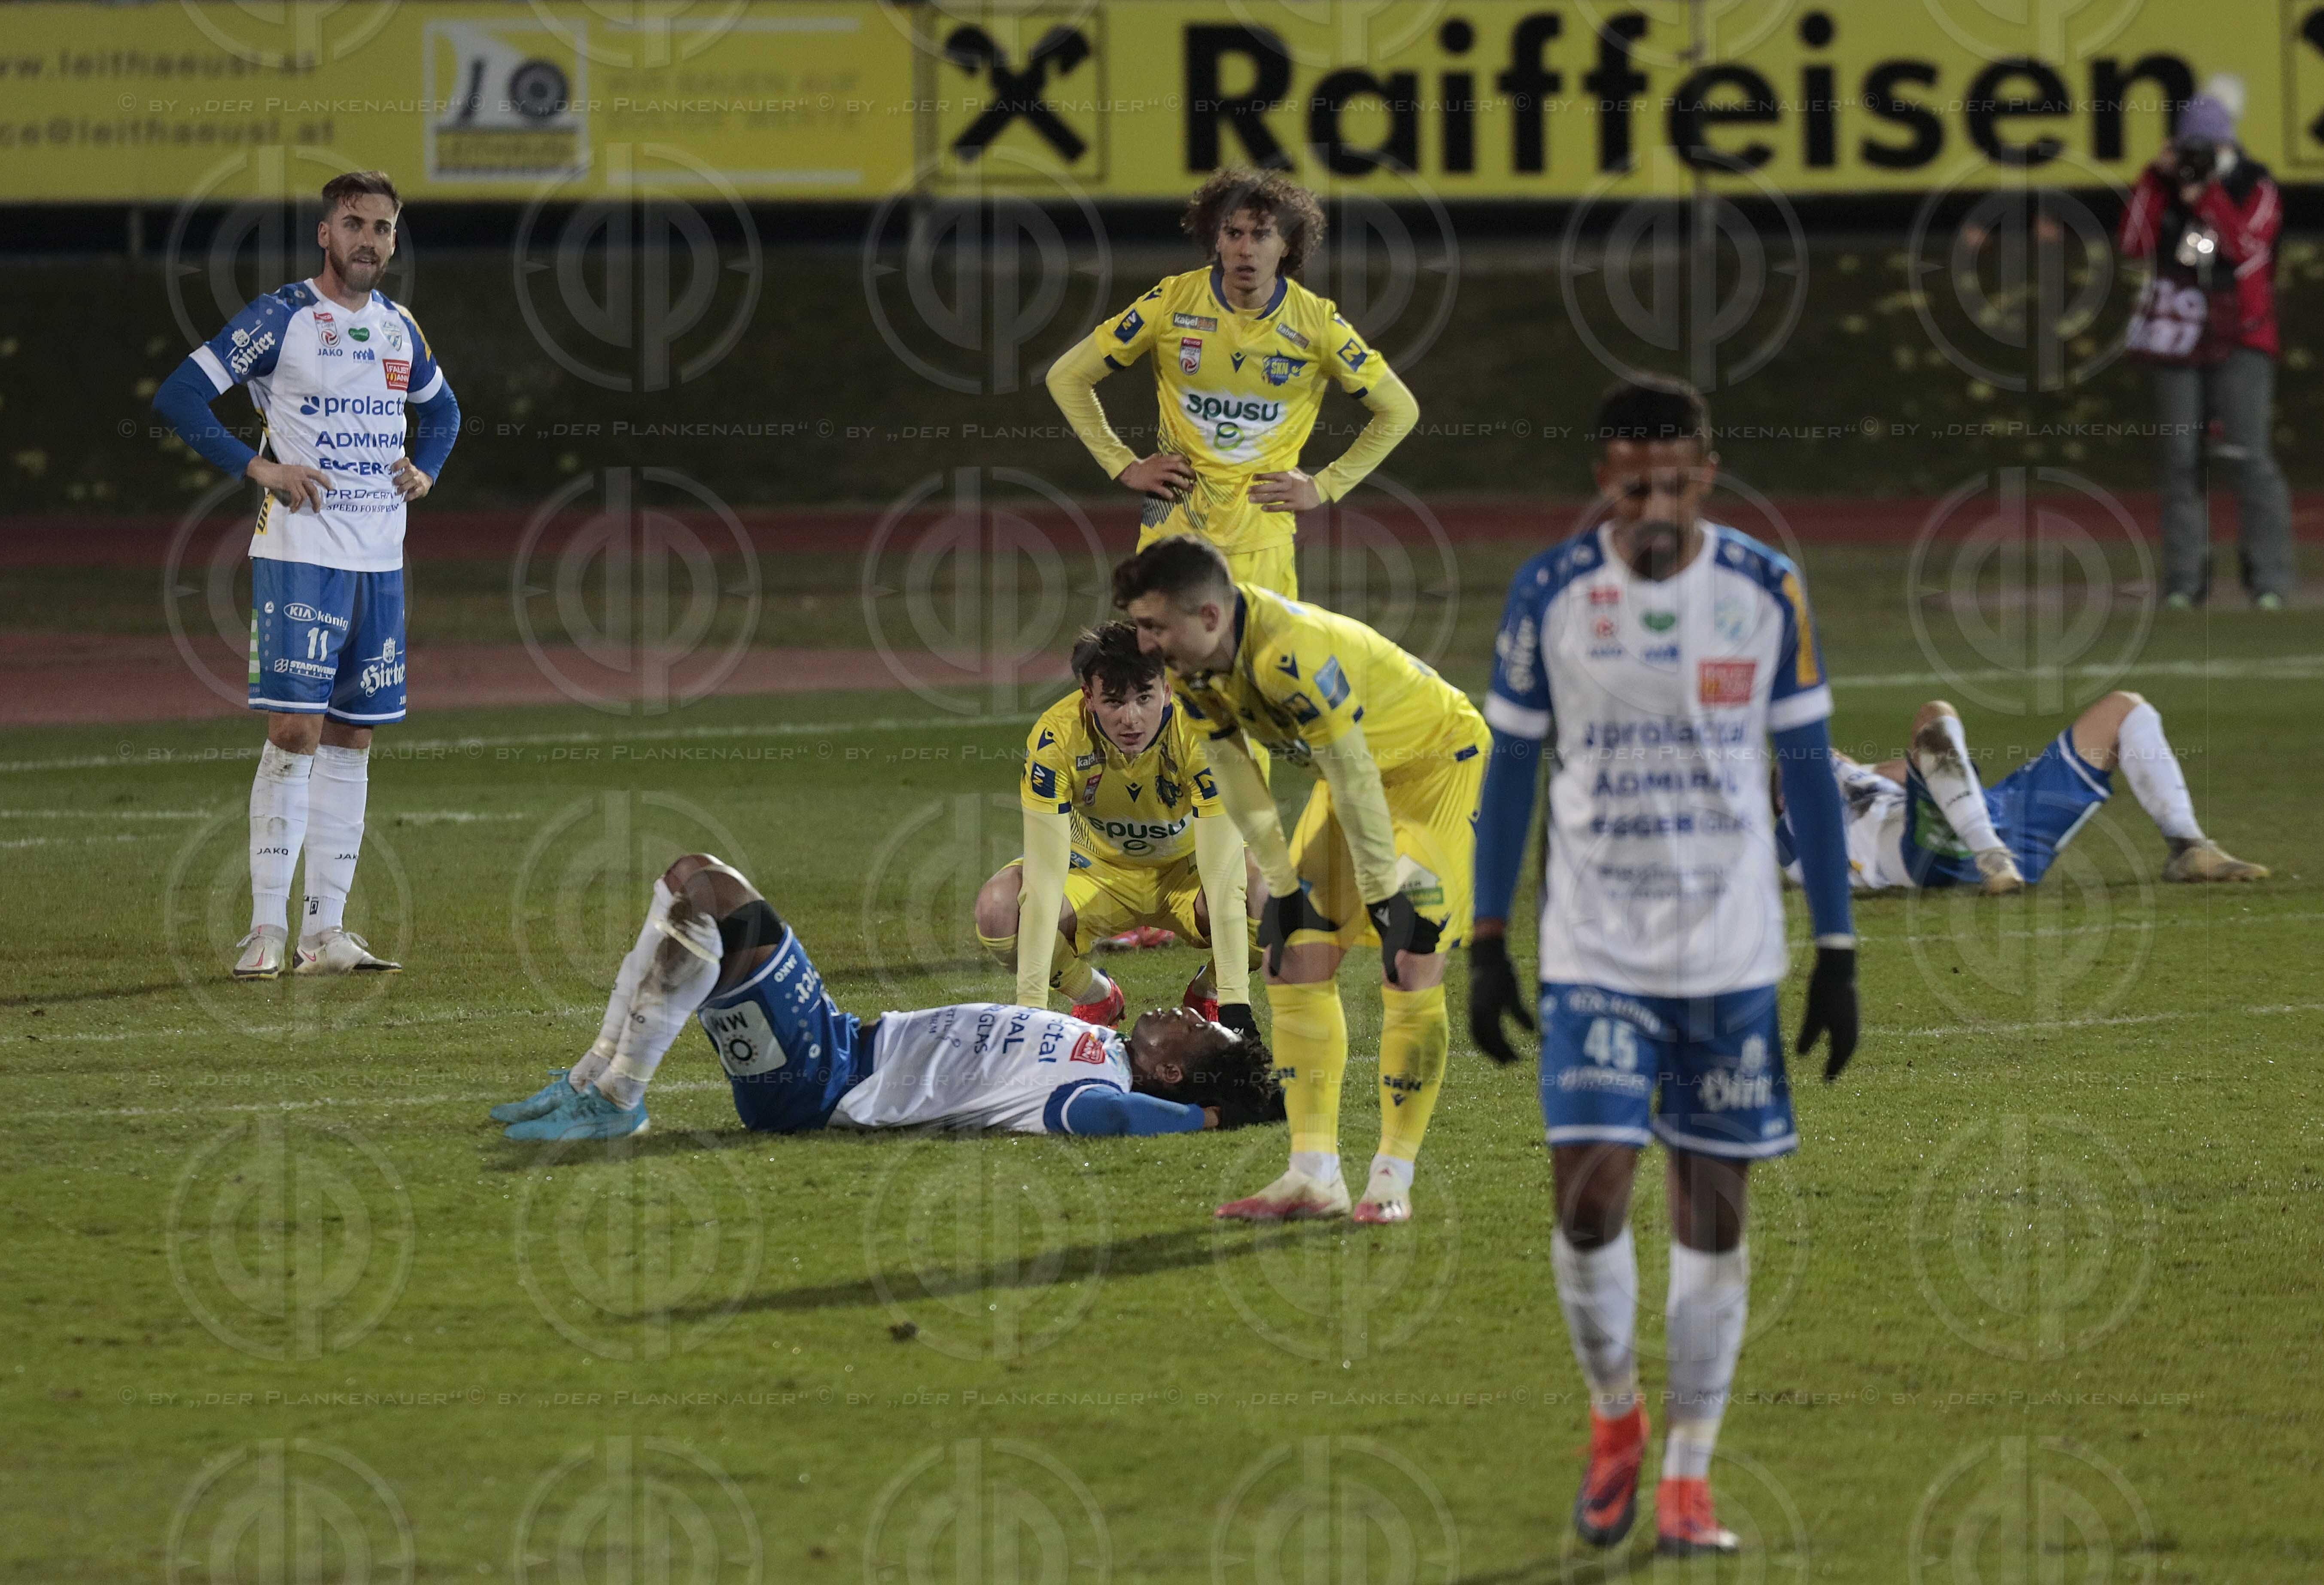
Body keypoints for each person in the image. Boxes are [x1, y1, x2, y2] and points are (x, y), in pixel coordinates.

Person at [1466, 378, 1859, 1558]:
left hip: (1728, 952)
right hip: (1595, 949)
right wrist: (1487, 938)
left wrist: (1835, 946)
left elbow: (1806, 766)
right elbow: (1507, 777)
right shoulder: (1549, 594)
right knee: (1586, 1202)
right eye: (1630, 479)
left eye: (1672, 479)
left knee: (1711, 1212)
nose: (1651, 500)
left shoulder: (1761, 589)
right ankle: (1614, 1419)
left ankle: (1688, 1469)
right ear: (1604, 480)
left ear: (1705, 473)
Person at [1114, 536, 1488, 1226]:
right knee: (1292, 956)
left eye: (1155, 626)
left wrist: (1382, 892)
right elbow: (1234, 771)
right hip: (1354, 785)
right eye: (1141, 625)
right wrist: (1282, 880)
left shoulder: (1291, 654)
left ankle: (1391, 1181)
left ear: (1207, 617)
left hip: (1433, 770)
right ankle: (1314, 1175)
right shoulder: (1198, 669)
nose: (1144, 643)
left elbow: (1351, 769)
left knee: (1410, 958)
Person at [151, 170, 460, 979]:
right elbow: (182, 395)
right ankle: (262, 932)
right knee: (295, 732)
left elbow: (446, 410)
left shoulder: (399, 326)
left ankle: (326, 936)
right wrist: (261, 467)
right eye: (354, 224)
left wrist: (424, 467)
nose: (369, 240)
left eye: (383, 228)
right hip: (300, 554)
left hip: (378, 561)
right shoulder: (283, 317)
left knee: (354, 738)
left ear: (394, 240)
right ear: (326, 234)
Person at [490, 854, 1284, 1142]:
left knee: (717, 892)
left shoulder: (1096, 1093)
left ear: (1174, 1073)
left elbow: (1118, 1119)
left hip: (816, 1080)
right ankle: (597, 1080)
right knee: (692, 893)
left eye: (1194, 1031)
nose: (1186, 1012)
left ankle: (617, 1097)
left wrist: (1219, 1115)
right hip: (840, 1038)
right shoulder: (1104, 1046)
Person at [1046, 166, 1421, 607]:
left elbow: (1399, 410)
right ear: (1215, 239)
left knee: (1262, 673)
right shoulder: (1172, 302)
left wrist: (1324, 486)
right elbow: (1067, 377)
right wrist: (1124, 464)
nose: (1246, 249)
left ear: (1287, 246)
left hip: (1262, 544)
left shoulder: (1317, 324)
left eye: (1262, 235)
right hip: (1172, 536)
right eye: (1233, 233)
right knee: (1165, 670)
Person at [972, 622, 1263, 1034]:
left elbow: (1222, 870)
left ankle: (1208, 993)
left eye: (1145, 698)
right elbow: (1043, 878)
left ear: (1167, 690)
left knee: (1270, 893)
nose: (1131, 719)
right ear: (1088, 696)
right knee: (998, 909)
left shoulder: (1203, 730)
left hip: (1190, 871)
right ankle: (1095, 995)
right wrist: (1030, 1013)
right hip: (1094, 873)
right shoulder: (1057, 740)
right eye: (1113, 701)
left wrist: (1236, 1004)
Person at [1773, 692, 2267, 891]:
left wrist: (1919, 761)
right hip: (1929, 850)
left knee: (2125, 709)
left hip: (1998, 815)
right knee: (1935, 712)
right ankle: (1990, 854)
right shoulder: (1796, 828)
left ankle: (2188, 845)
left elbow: (1926, 762)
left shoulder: (1864, 779)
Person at [2118, 78, 2291, 610]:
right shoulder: (2163, 186)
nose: (2197, 159)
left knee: (2248, 455)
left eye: (2205, 149)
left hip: (2242, 335)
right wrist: (2156, 177)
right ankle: (2184, 582)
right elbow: (2131, 242)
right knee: (2181, 460)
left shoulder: (2255, 186)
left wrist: (2207, 195)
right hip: (2179, 338)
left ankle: (2270, 580)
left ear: (2227, 145)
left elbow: (2243, 247)